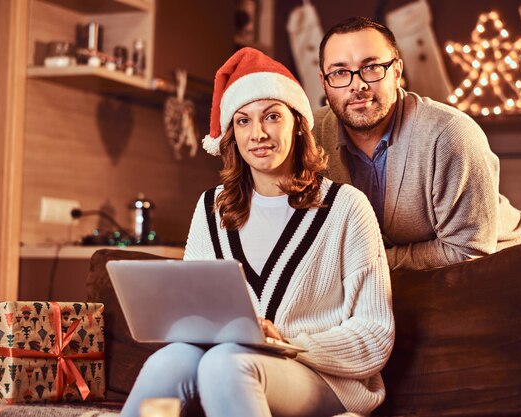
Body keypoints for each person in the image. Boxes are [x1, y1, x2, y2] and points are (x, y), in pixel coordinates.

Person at [119, 47, 395, 417]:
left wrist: (288, 342)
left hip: (323, 378)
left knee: (229, 362)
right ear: (232, 133)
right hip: (229, 360)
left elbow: (375, 335)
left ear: (297, 123)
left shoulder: (346, 207)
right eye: (243, 121)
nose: (258, 133)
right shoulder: (210, 208)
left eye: (272, 116)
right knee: (171, 360)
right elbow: (194, 314)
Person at [313, 16, 521, 271]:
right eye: (340, 72)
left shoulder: (450, 134)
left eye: (371, 67)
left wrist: (366, 264)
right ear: (324, 81)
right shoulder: (309, 133)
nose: (357, 85)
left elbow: (468, 251)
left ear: (396, 72)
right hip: (390, 284)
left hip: (492, 273)